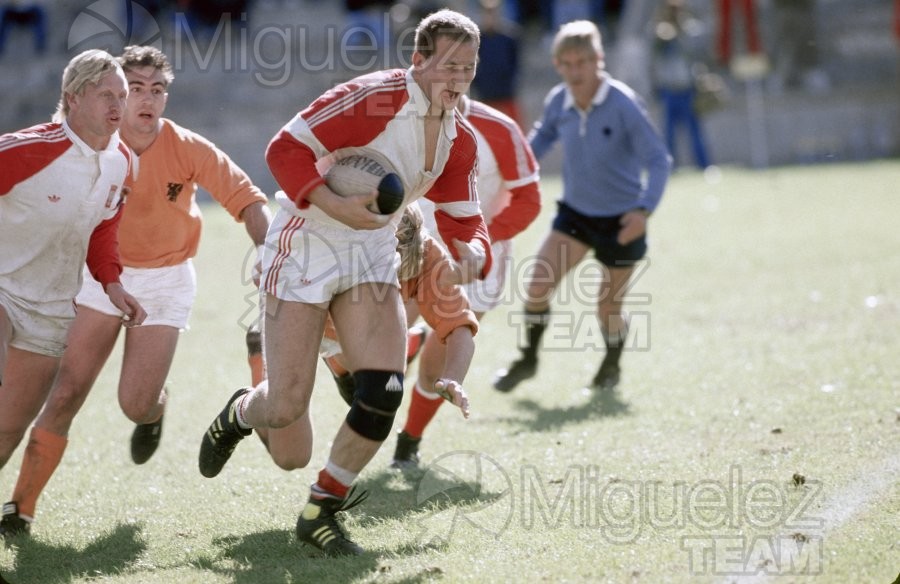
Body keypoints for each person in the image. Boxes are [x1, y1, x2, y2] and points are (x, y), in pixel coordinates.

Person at [197, 9, 490, 557]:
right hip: (308, 239)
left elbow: (462, 217)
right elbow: (284, 148)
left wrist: (474, 250)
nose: (458, 80)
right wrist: (333, 202)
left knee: (382, 390)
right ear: (419, 61)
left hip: (373, 251)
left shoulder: (461, 139)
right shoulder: (374, 97)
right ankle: (240, 414)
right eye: (449, 66)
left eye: (469, 69)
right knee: (284, 407)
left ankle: (321, 508)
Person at [0, 45, 270, 537]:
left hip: (165, 281)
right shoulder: (95, 147)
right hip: (100, 281)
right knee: (63, 396)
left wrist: (270, 254)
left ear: (166, 96)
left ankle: (154, 410)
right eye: (133, 89)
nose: (144, 100)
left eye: (156, 89)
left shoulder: (187, 147)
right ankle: (20, 510)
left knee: (134, 403)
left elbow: (248, 200)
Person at [0, 49, 147, 536]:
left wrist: (112, 283)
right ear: (72, 98)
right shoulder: (24, 149)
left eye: (122, 97)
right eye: (106, 94)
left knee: (6, 433)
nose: (117, 106)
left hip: (50, 310)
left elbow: (104, 228)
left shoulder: (123, 162)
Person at [493, 20, 671, 393]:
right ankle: (528, 359)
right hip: (575, 214)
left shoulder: (622, 103)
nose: (575, 72)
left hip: (623, 220)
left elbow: (658, 159)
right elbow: (538, 143)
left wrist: (643, 211)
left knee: (607, 308)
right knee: (537, 287)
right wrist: (507, 175)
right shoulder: (560, 100)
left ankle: (611, 365)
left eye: (582, 62)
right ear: (558, 64)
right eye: (567, 64)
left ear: (598, 61)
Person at [246, 204, 475, 473]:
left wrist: (453, 378)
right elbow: (271, 260)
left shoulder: (426, 254)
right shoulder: (328, 242)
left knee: (376, 402)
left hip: (349, 335)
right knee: (289, 453)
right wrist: (272, 262)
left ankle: (327, 496)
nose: (390, 287)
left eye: (399, 278)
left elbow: (460, 324)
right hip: (300, 319)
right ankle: (245, 395)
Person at [391, 93, 541, 468]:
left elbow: (529, 198)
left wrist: (484, 235)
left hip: (477, 263)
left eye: (461, 67)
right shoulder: (397, 118)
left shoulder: (499, 128)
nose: (450, 79)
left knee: (439, 363)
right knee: (384, 338)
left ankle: (408, 441)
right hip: (413, 252)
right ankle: (405, 347)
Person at [651, 0, 712, 170]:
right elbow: (654, 55)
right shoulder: (661, 31)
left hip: (687, 88)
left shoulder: (689, 29)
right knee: (668, 133)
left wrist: (679, 33)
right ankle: (669, 166)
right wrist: (663, 34)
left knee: (695, 132)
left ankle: (704, 165)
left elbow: (696, 50)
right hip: (669, 89)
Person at [471, 0, 524, 125]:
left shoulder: (510, 38)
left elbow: (515, 64)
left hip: (506, 94)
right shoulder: (476, 40)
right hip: (484, 96)